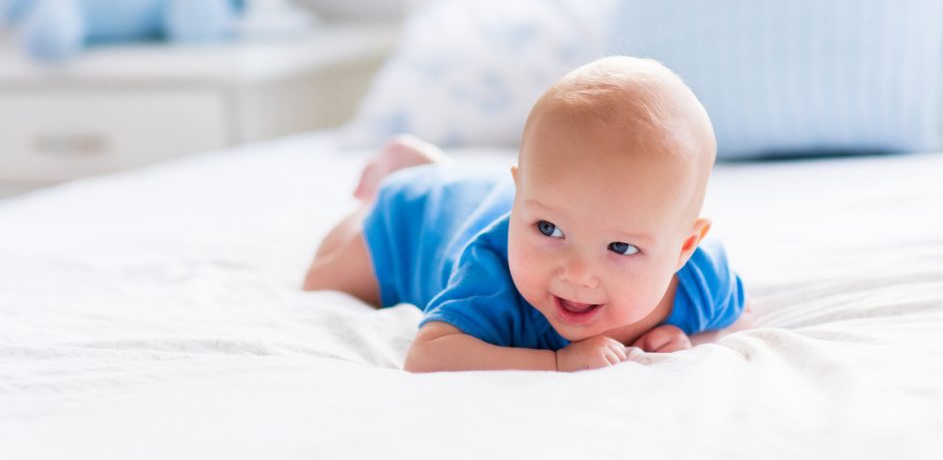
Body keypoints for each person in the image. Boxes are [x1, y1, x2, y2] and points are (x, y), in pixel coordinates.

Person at [303, 56, 751, 372]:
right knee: (319, 281)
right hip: (412, 222)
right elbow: (428, 355)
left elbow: (739, 313)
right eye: (548, 229)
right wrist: (556, 362)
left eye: (621, 247)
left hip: (484, 198)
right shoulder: (492, 272)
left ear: (684, 249)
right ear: (522, 202)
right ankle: (399, 180)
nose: (576, 274)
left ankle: (434, 168)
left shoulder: (703, 283)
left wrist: (676, 335)